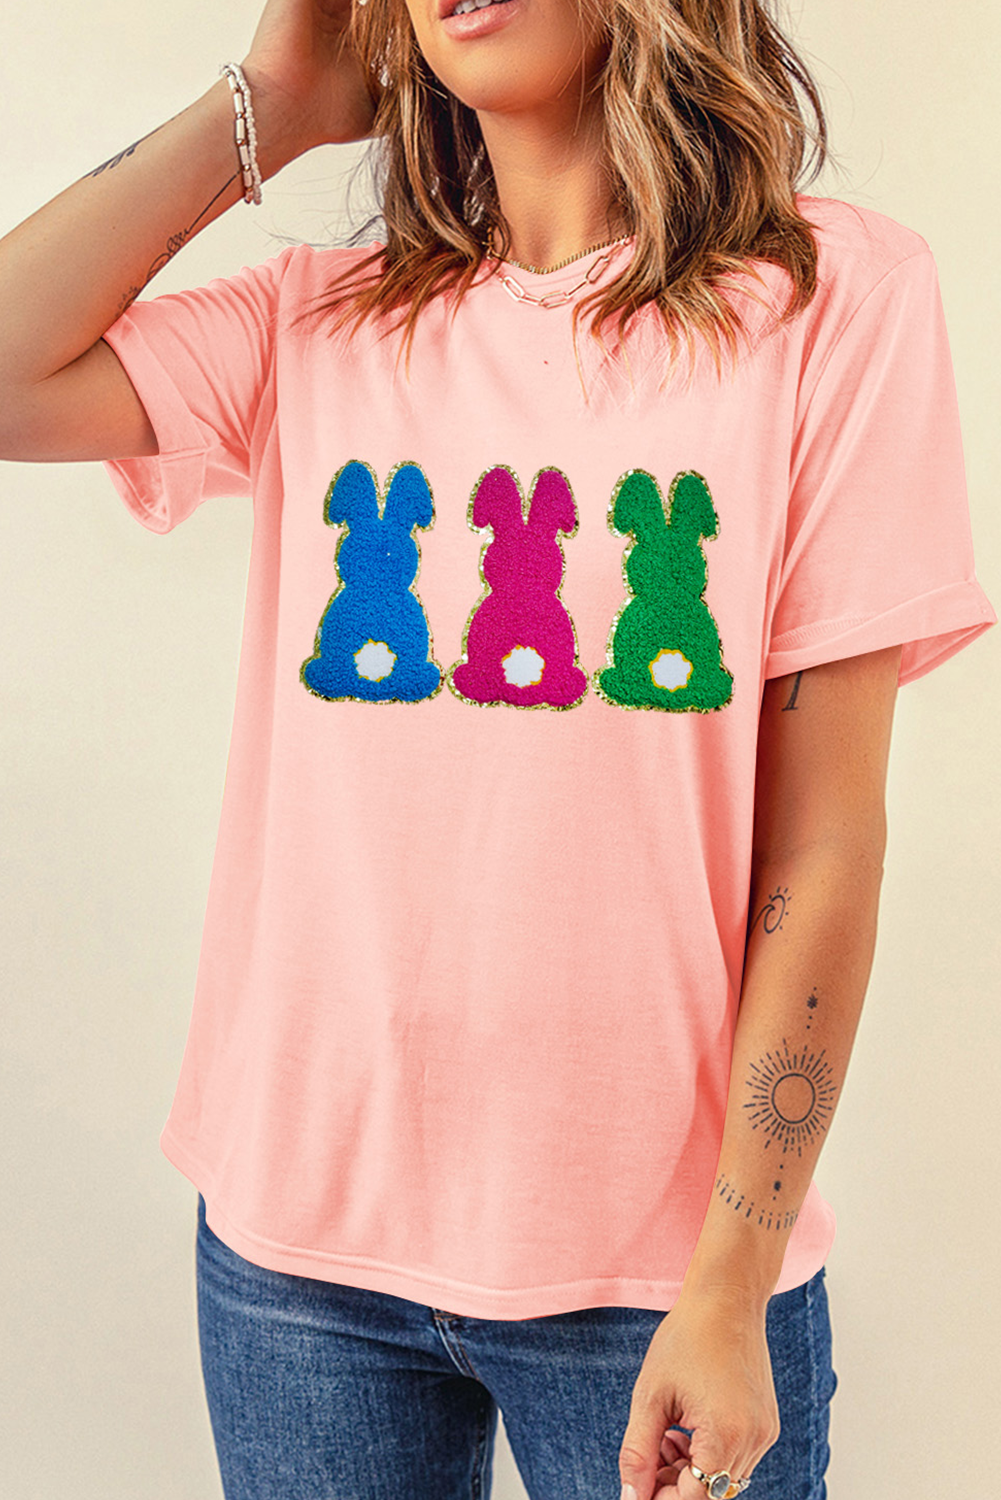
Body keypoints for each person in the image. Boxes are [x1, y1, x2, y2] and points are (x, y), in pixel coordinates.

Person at [0, 1, 994, 1497]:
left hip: (665, 1277)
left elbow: (825, 844)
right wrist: (269, 98)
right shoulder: (315, 321)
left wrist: (733, 1280)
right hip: (298, 1264)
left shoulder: (829, 298)